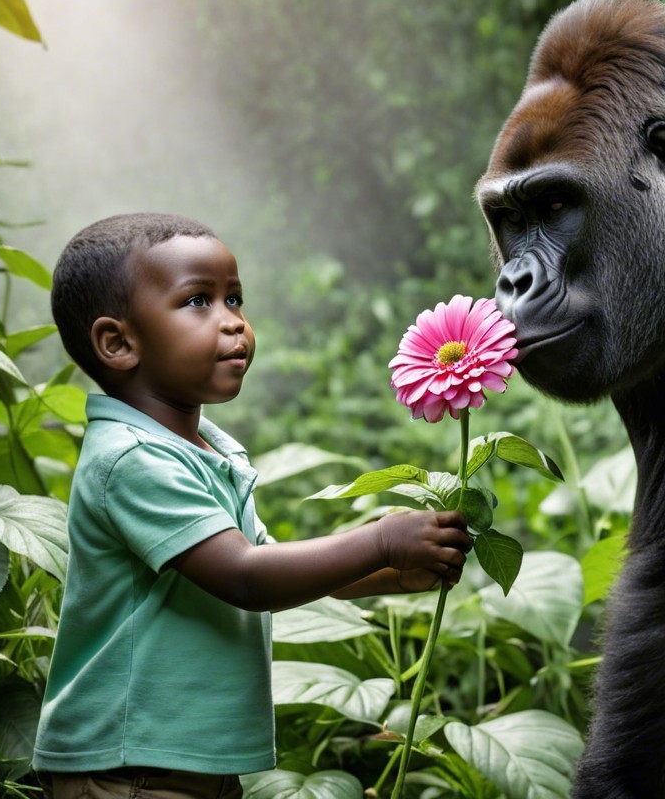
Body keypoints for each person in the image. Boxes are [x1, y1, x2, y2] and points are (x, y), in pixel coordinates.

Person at [32, 213, 472, 798]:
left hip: (189, 770)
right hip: (127, 772)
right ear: (118, 343)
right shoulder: (131, 459)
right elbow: (245, 578)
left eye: (234, 298)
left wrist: (387, 572)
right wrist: (380, 540)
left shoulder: (203, 449)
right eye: (198, 302)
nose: (234, 322)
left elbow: (267, 561)